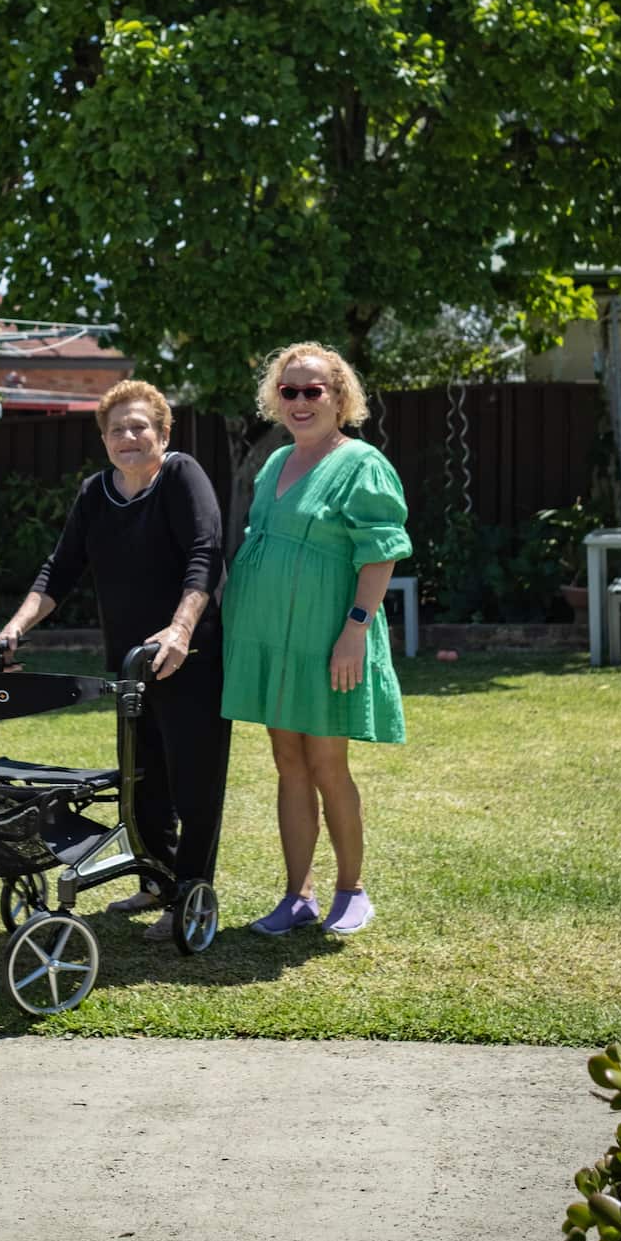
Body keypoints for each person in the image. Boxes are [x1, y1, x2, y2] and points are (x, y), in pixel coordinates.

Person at [0, 379, 230, 942]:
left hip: (190, 656)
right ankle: (157, 878)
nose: (128, 436)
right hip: (130, 666)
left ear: (162, 432)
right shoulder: (94, 493)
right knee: (141, 777)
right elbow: (60, 569)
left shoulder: (181, 476)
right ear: (103, 438)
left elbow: (206, 552)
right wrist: (15, 628)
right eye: (117, 428)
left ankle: (191, 893)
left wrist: (179, 628)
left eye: (139, 426)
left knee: (193, 782)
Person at [222, 343, 411, 937]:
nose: (301, 402)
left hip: (331, 636)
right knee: (287, 763)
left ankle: (351, 889)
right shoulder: (276, 463)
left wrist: (354, 631)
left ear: (339, 397)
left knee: (329, 764)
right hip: (274, 641)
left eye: (313, 391)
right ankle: (296, 894)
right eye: (289, 391)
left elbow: (380, 553)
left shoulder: (362, 463)